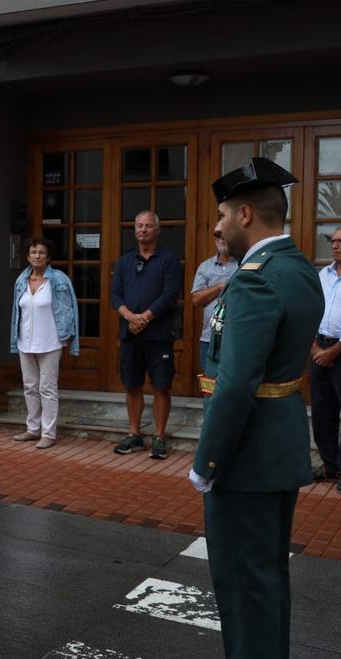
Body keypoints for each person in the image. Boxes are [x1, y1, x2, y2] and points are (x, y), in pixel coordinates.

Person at [191, 157, 321, 658]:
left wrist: (207, 462)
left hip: (245, 455)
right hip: (277, 444)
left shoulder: (255, 279)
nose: (219, 226)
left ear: (246, 215)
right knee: (265, 579)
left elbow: (236, 384)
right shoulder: (298, 268)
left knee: (243, 585)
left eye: (223, 216)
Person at [109, 210, 182, 459]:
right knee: (132, 385)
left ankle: (160, 437)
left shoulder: (169, 260)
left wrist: (145, 318)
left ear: (157, 230)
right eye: (139, 225)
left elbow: (170, 294)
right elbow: (115, 295)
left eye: (148, 226)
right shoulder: (124, 261)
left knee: (161, 387)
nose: (143, 230)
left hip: (159, 335)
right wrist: (130, 317)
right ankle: (134, 434)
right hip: (130, 334)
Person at [8, 237, 79, 449]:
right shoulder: (21, 280)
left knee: (47, 388)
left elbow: (69, 309)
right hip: (25, 341)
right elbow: (16, 311)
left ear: (48, 257)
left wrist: (69, 335)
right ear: (28, 256)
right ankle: (32, 429)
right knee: (30, 387)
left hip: (50, 341)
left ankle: (48, 433)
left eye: (41, 252)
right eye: (33, 252)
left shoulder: (59, 279)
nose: (36, 256)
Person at [310, 225, 341, 487]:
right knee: (322, 412)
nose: (334, 245)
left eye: (340, 241)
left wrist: (334, 351)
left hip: (339, 351)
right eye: (332, 241)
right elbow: (310, 313)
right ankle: (330, 465)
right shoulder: (324, 275)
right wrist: (316, 349)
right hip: (319, 349)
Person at [191, 231, 239, 373]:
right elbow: (196, 300)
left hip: (236, 337)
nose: (223, 241)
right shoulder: (205, 267)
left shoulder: (243, 264)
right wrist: (219, 287)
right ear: (215, 240)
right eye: (220, 237)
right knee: (210, 385)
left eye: (227, 237)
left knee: (233, 385)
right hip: (209, 338)